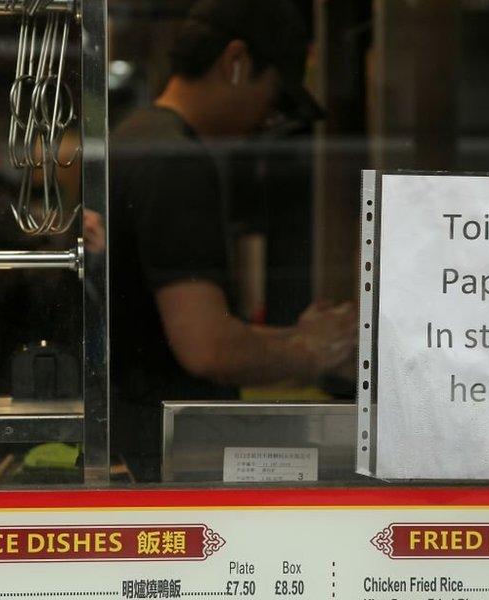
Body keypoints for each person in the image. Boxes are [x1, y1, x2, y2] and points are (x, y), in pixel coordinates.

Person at [109, 0, 356, 481]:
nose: (269, 120)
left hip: (139, 441)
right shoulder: (174, 162)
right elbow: (207, 347)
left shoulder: (136, 136)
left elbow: (178, 325)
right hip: (160, 457)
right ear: (237, 63)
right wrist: (312, 352)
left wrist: (297, 336)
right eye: (275, 96)